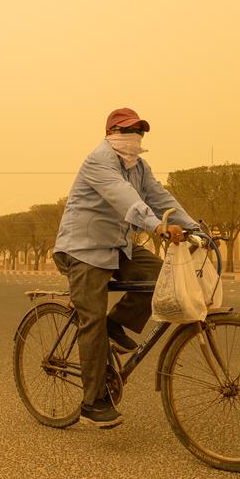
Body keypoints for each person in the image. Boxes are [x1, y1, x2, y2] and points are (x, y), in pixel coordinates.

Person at [52, 107, 199, 429]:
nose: (134, 138)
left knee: (162, 276)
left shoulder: (139, 167)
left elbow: (161, 199)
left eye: (139, 132)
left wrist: (197, 228)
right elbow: (126, 201)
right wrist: (156, 228)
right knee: (91, 320)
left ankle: (115, 326)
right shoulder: (98, 161)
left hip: (118, 245)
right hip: (83, 248)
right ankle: (93, 402)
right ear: (110, 134)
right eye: (126, 131)